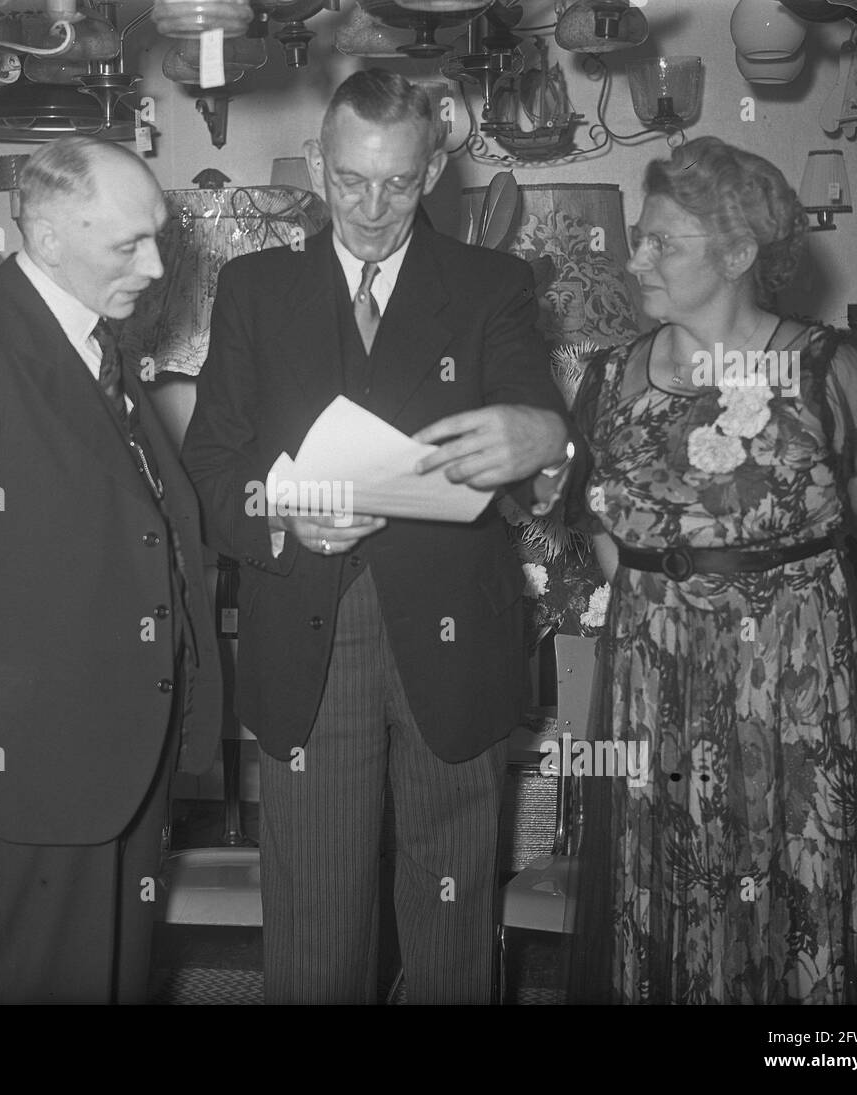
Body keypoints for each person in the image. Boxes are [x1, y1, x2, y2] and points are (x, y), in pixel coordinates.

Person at [182, 69, 573, 1004]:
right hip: (310, 638)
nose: (371, 207)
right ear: (320, 165)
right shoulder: (255, 288)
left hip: (454, 640)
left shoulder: (493, 286)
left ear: (434, 167)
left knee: (450, 931)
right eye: (351, 180)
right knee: (316, 931)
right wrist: (281, 515)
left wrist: (550, 442)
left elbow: (540, 441)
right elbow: (210, 466)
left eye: (398, 183)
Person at [565, 136, 857, 1004]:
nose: (637, 258)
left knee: (794, 915)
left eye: (664, 242)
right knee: (656, 905)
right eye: (640, 237)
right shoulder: (609, 376)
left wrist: (822, 686)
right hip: (650, 703)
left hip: (794, 708)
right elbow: (605, 542)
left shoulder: (829, 372)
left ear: (738, 255)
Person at [0, 137, 222, 1004]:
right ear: (49, 238)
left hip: (112, 771)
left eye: (158, 237)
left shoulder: (98, 351)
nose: (157, 262)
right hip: (31, 784)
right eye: (129, 243)